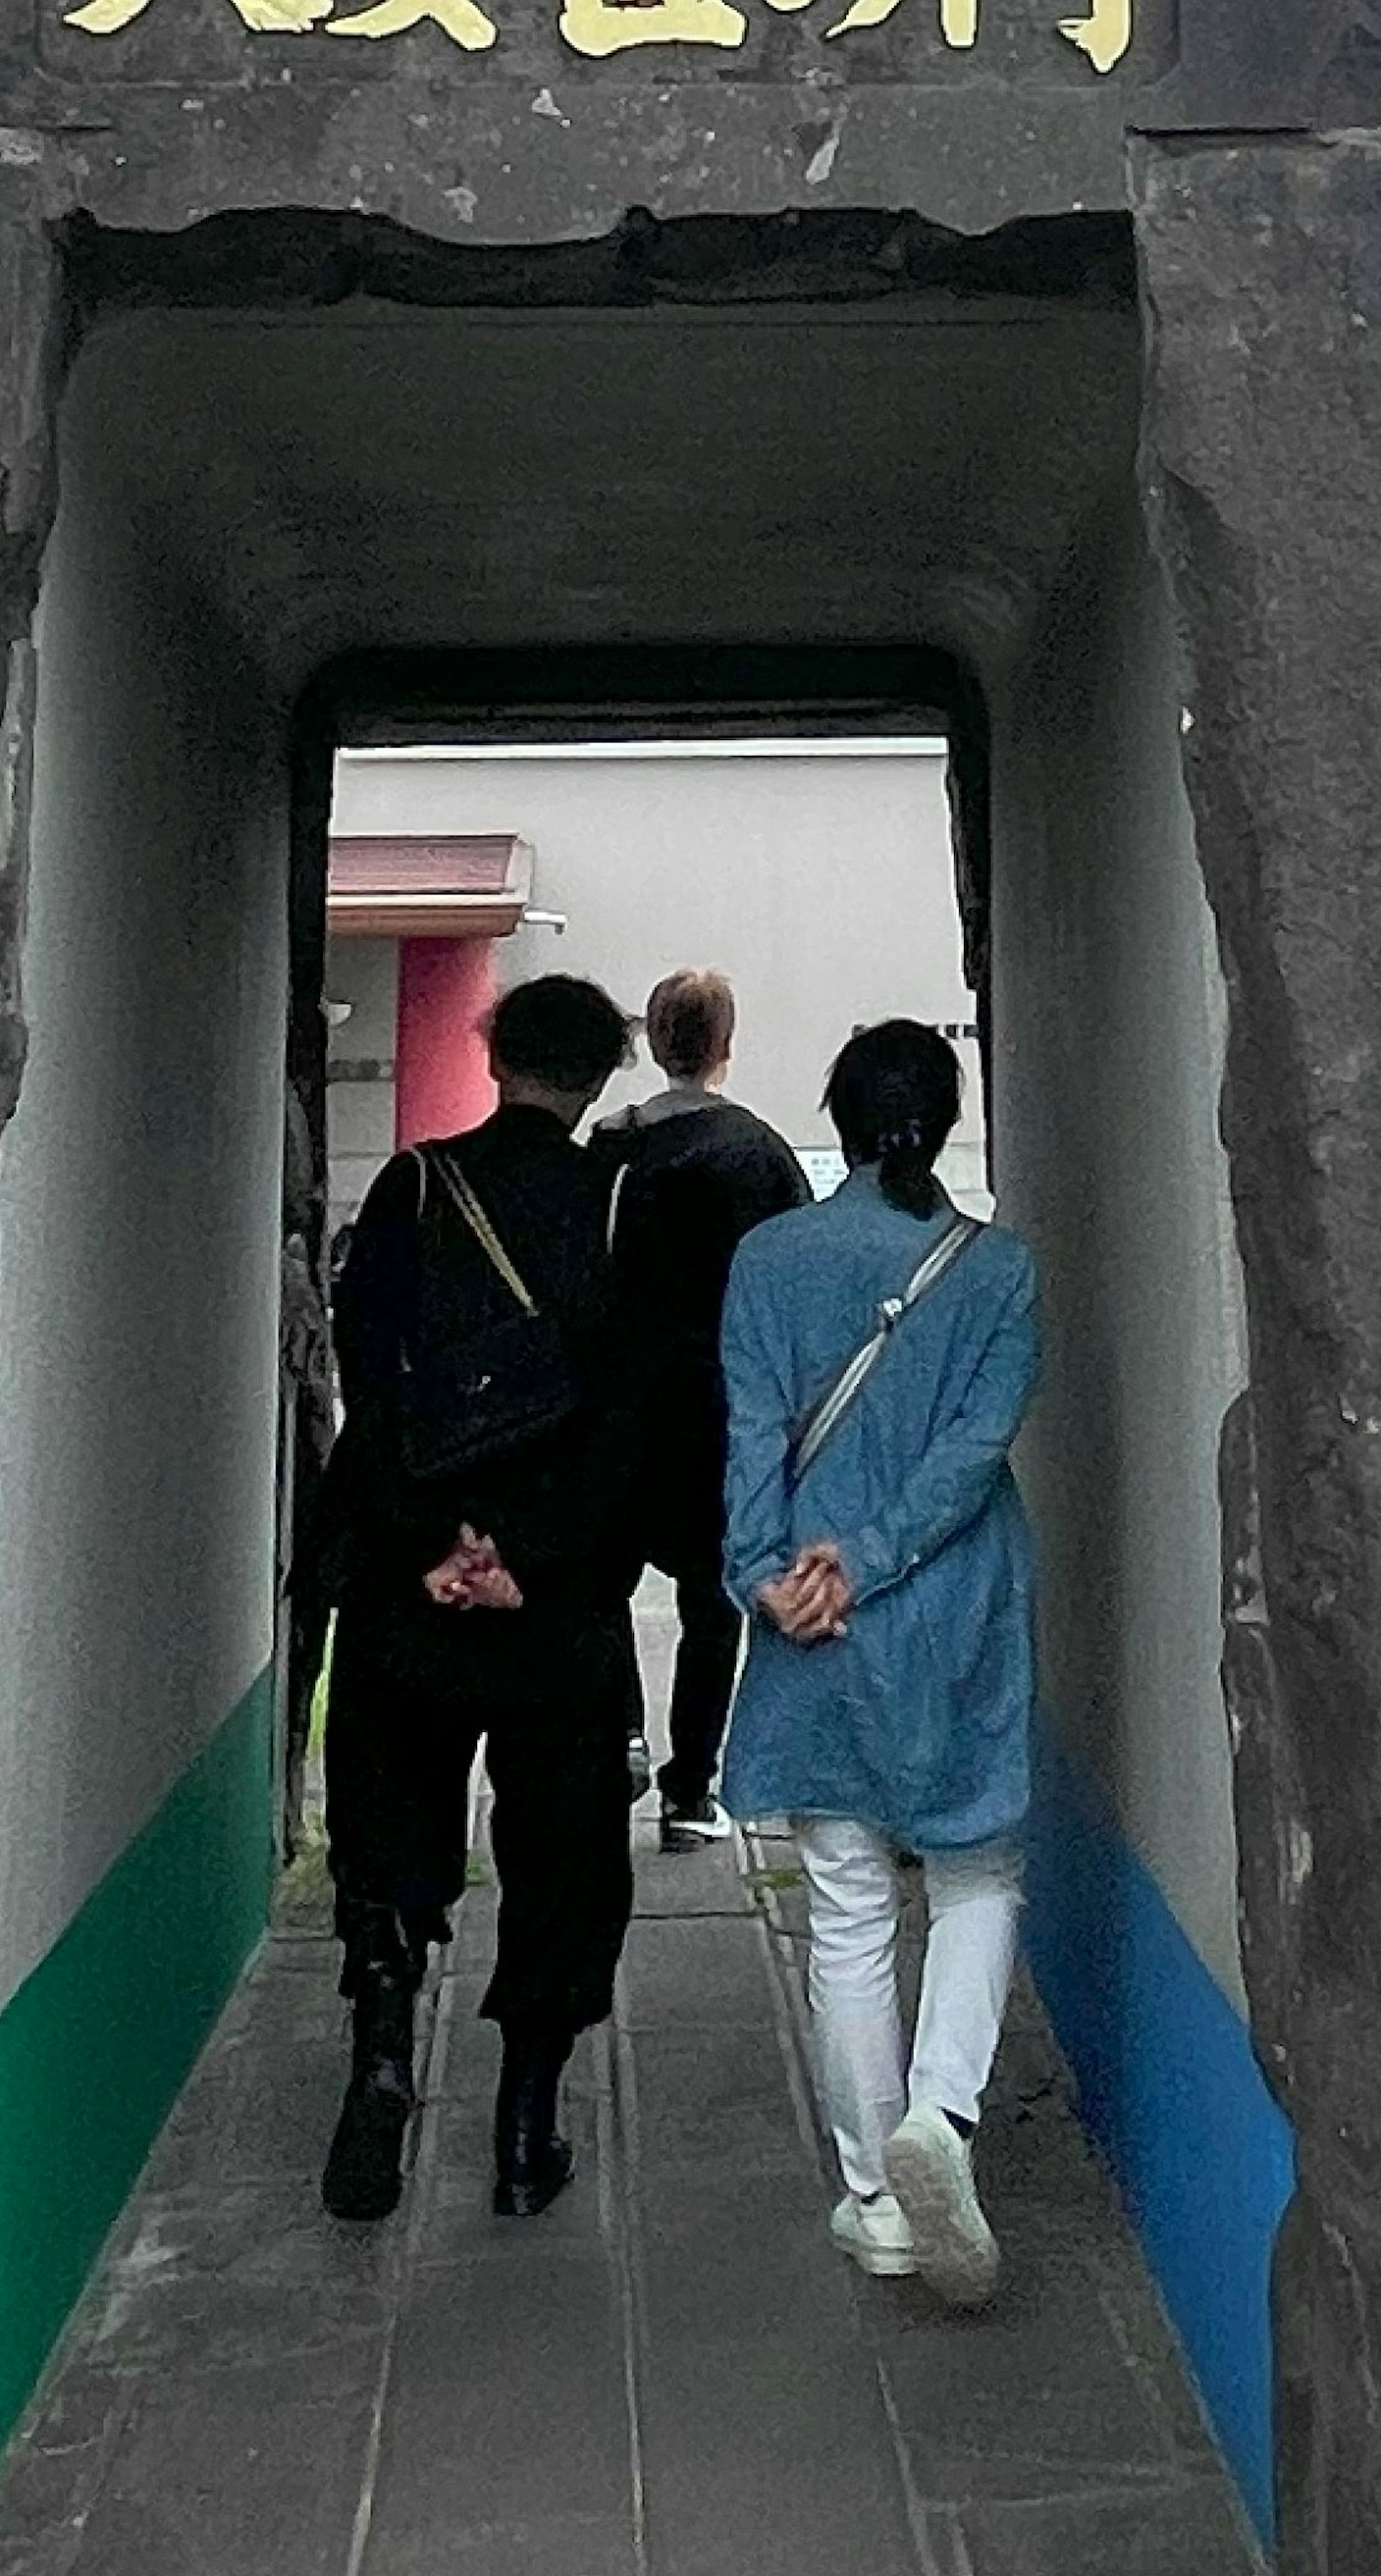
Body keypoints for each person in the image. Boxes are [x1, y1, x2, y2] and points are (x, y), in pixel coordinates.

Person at [718, 1021, 1038, 2308]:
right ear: (950, 1119)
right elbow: (974, 1452)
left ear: (839, 1121)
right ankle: (941, 2124)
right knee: (977, 1871)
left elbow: (748, 1435)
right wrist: (879, 1553)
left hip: (813, 1618)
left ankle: (872, 2197)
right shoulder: (1000, 1272)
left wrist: (769, 1570)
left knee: (846, 1905)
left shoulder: (770, 1258)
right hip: (955, 1606)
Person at [315, 969, 639, 2230]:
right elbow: (635, 1417)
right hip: (556, 1609)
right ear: (603, 1072)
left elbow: (367, 1372)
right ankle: (524, 2124)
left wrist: (427, 1544)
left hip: (414, 1591)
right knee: (563, 1853)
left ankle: (385, 2053)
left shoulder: (411, 1187)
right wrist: (538, 1554)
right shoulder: (624, 1208)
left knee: (390, 1820)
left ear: (492, 1053)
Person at [600, 967, 812, 1844]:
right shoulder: (759, 1153)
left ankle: (622, 1737)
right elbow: (799, 1284)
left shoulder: (609, 1148)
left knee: (604, 1584)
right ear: (726, 1044)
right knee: (710, 1602)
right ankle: (693, 1791)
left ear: (652, 1042)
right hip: (723, 1409)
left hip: (618, 1401)